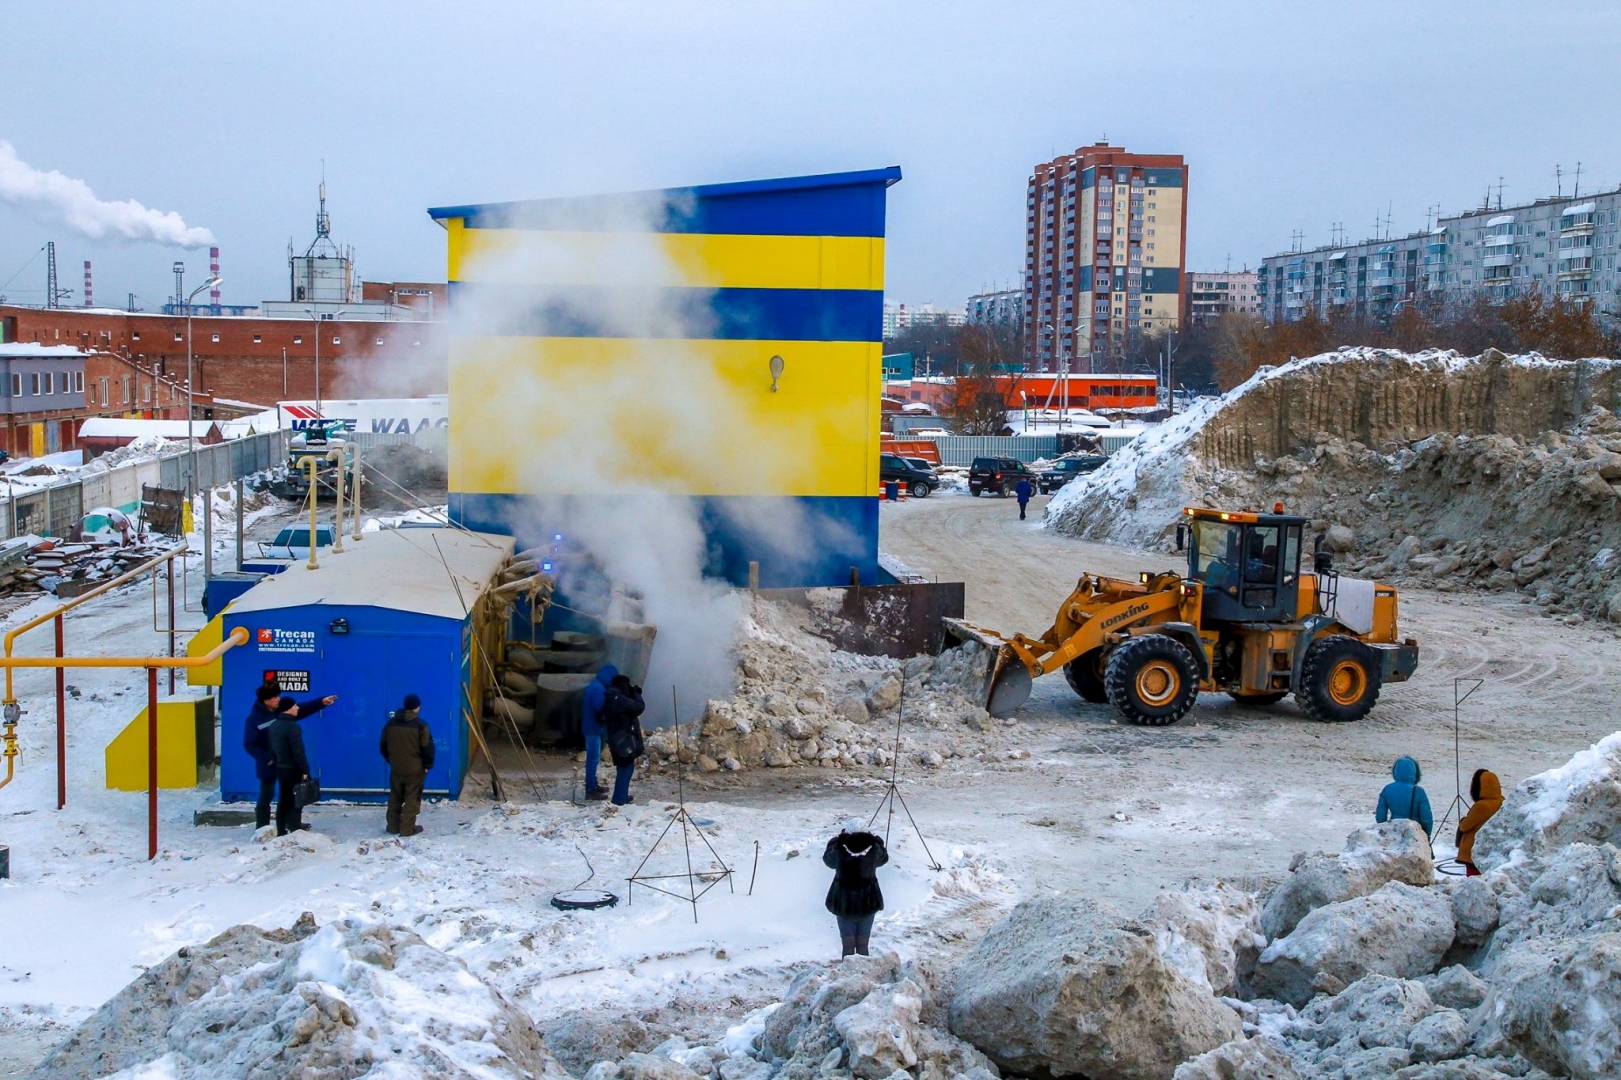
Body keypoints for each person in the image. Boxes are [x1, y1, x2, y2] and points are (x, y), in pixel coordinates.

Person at [243, 682, 336, 831]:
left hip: (286, 763)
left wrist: (321, 702)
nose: (278, 699)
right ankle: (262, 827)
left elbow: (301, 708)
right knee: (266, 794)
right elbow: (250, 744)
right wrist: (268, 758)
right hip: (269, 764)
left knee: (290, 795)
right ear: (266, 701)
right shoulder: (254, 720)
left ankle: (291, 823)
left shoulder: (281, 711)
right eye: (275, 698)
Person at [823, 818, 888, 957]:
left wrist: (835, 841)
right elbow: (884, 858)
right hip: (868, 902)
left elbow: (828, 861)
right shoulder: (874, 848)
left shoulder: (839, 849)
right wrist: (877, 841)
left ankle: (847, 973)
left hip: (843, 903)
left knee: (847, 944)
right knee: (863, 944)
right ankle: (863, 973)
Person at [267, 695, 328, 836]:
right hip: (294, 768)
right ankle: (295, 828)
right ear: (288, 709)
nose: (298, 708)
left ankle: (281, 828)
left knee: (283, 798)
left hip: (281, 768)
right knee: (296, 799)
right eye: (295, 706)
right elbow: (298, 751)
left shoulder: (274, 725)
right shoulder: (293, 727)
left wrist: (276, 762)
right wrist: (305, 769)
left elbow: (272, 749)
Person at [380, 693, 435, 836]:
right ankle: (407, 828)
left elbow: (383, 746)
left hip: (396, 768)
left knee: (395, 797)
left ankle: (392, 826)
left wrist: (392, 760)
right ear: (417, 707)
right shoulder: (420, 726)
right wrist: (427, 765)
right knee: (412, 798)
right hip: (415, 769)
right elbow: (427, 748)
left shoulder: (390, 724)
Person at [601, 674, 646, 806]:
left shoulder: (611, 696)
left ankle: (621, 795)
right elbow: (639, 707)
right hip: (622, 738)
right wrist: (636, 693)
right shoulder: (619, 699)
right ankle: (619, 799)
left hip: (617, 736)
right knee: (625, 767)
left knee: (625, 766)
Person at [579, 664, 619, 801]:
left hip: (593, 728)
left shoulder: (596, 685)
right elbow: (600, 708)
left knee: (593, 759)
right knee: (593, 759)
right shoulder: (598, 689)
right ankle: (590, 789)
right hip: (593, 729)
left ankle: (593, 785)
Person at [1455, 768, 1503, 876]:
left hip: (1473, 849)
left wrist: (1463, 821)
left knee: (1474, 878)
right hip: (1492, 849)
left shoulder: (1481, 806)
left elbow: (1465, 826)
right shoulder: (1502, 802)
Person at [1376, 755, 1434, 839]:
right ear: (1415, 772)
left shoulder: (1387, 789)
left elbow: (1380, 815)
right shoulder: (1419, 791)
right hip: (1414, 832)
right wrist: (1427, 834)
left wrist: (1384, 830)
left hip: (1394, 830)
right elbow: (1426, 817)